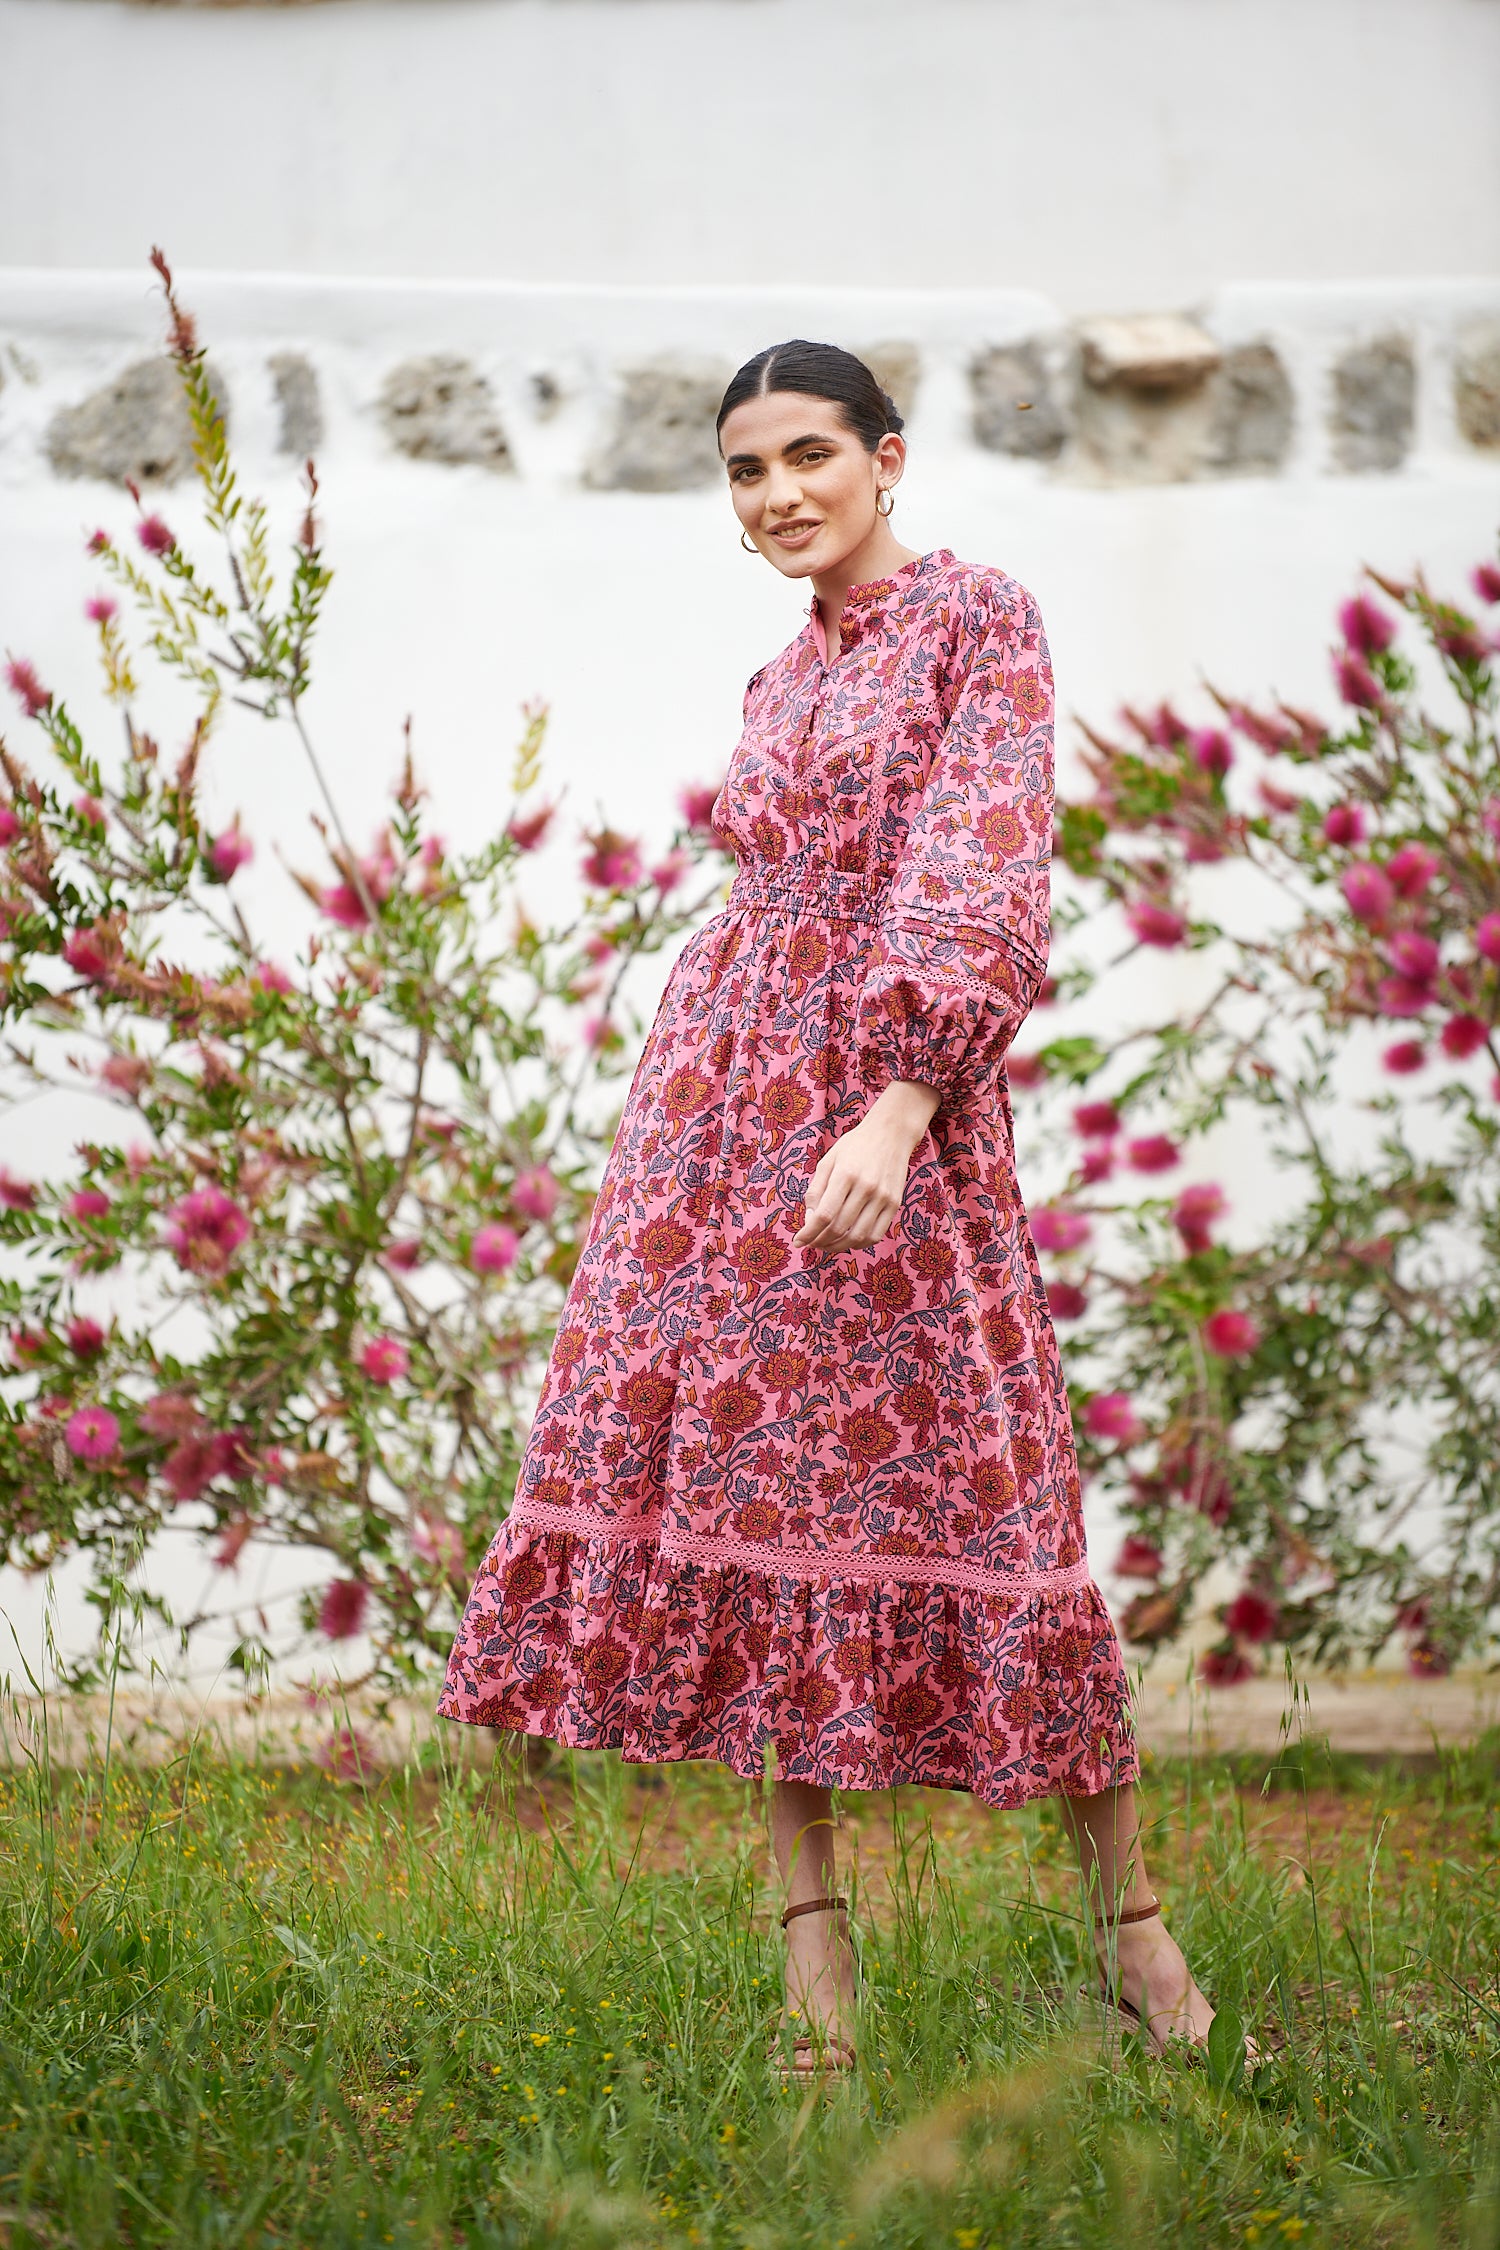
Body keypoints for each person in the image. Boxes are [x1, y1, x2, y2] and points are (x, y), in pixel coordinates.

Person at [440, 339, 1248, 2085]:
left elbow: (984, 865)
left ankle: (1136, 1944)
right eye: (745, 470)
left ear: (891, 457)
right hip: (721, 1133)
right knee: (752, 1500)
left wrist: (898, 1101)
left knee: (1000, 1487)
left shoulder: (982, 620)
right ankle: (816, 1970)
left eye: (810, 454)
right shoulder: (775, 680)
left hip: (899, 1123)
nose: (778, 493)